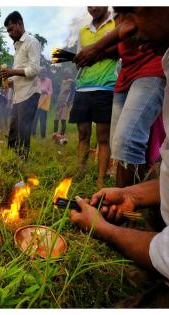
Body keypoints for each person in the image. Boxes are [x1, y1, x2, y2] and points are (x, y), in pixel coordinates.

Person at [70, 7, 169, 307]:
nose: (122, 31)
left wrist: (106, 231)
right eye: (118, 13)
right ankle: (143, 242)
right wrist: (131, 195)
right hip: (128, 76)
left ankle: (135, 240)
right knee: (124, 147)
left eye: (130, 10)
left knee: (125, 143)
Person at [74, 12, 166, 188]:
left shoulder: (131, 15)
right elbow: (122, 44)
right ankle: (123, 196)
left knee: (127, 141)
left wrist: (96, 47)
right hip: (125, 76)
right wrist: (96, 56)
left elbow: (131, 24)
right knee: (116, 144)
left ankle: (127, 205)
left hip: (150, 68)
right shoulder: (117, 16)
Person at [69, 6, 118, 188]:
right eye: (89, 4)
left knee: (103, 137)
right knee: (83, 134)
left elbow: (119, 51)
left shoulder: (115, 24)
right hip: (82, 88)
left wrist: (96, 53)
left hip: (105, 87)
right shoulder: (83, 32)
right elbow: (81, 59)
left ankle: (100, 179)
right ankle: (80, 171)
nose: (93, 7)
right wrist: (78, 60)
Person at [0, 11, 41, 161]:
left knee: (24, 130)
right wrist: (9, 82)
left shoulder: (31, 42)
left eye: (11, 29)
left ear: (20, 24)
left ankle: (23, 161)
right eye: (8, 31)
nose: (9, 33)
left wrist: (11, 72)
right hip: (18, 95)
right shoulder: (17, 46)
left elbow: (35, 69)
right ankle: (10, 158)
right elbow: (19, 74)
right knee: (13, 129)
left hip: (30, 94)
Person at [53, 69, 75, 139]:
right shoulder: (63, 82)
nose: (64, 75)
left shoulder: (72, 83)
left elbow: (72, 93)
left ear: (69, 74)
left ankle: (62, 135)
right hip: (59, 103)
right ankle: (55, 134)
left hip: (65, 103)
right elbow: (60, 92)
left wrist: (68, 102)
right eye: (64, 74)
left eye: (66, 73)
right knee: (56, 119)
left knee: (63, 119)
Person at [32, 69, 53, 138]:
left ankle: (43, 136)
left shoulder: (49, 81)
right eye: (41, 73)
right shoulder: (36, 80)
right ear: (39, 74)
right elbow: (33, 90)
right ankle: (33, 134)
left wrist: (46, 92)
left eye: (44, 73)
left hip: (44, 102)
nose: (43, 74)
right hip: (36, 102)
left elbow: (51, 92)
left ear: (45, 74)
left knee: (43, 120)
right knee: (34, 119)